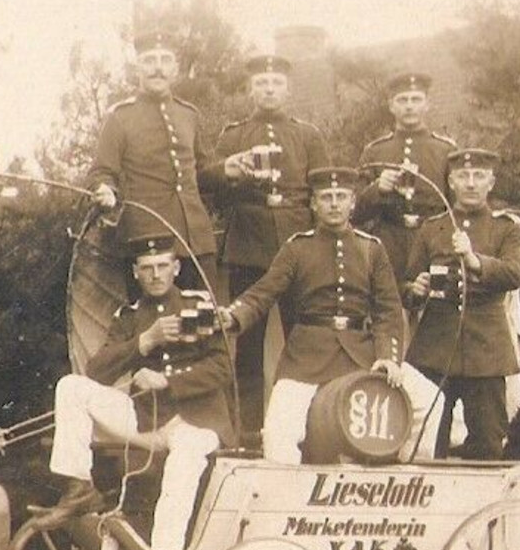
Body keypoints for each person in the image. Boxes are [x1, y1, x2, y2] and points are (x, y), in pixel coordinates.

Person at [49, 234, 234, 550]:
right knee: (71, 387)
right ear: (135, 273)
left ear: (176, 267)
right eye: (146, 268)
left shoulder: (199, 306)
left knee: (186, 459)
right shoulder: (130, 317)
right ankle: (78, 487)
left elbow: (222, 368)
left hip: (196, 418)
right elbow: (98, 371)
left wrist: (167, 381)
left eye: (163, 266)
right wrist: (143, 342)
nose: (155, 275)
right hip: (146, 420)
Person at [220, 167, 406, 465]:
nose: (334, 204)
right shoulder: (297, 248)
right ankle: (286, 507)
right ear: (313, 204)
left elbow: (388, 310)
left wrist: (387, 357)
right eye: (326, 197)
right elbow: (264, 292)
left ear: (353, 203)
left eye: (341, 197)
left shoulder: (372, 249)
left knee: (426, 405)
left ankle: (409, 493)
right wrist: (233, 316)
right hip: (306, 358)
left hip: (361, 355)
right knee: (278, 433)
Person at [208, 53, 331, 444]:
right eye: (261, 83)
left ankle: (308, 425)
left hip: (298, 248)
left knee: (305, 336)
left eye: (276, 83)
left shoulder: (308, 136)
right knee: (248, 342)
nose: (269, 89)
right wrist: (233, 178)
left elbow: (323, 190)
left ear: (288, 89)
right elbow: (215, 194)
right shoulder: (233, 136)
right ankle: (249, 429)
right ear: (251, 89)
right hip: (248, 245)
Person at [403, 148, 520, 459]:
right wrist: (415, 290)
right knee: (426, 444)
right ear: (451, 182)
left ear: (491, 183)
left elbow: (516, 272)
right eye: (463, 176)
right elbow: (405, 285)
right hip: (434, 349)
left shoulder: (506, 227)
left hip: (487, 350)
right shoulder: (433, 228)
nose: (471, 183)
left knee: (487, 443)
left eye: (479, 176)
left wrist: (474, 261)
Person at [88, 30, 221, 291]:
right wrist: (105, 190)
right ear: (137, 68)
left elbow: (202, 171)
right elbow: (102, 172)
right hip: (148, 242)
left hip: (197, 240)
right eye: (149, 60)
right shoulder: (120, 117)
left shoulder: (188, 114)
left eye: (165, 60)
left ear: (175, 68)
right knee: (153, 327)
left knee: (205, 323)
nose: (157, 68)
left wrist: (228, 169)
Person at [356, 72, 460, 280]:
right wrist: (377, 190)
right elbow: (355, 212)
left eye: (416, 99)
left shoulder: (445, 151)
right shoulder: (375, 152)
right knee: (390, 306)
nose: (409, 106)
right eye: (402, 100)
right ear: (391, 106)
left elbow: (457, 207)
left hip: (435, 243)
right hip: (389, 244)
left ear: (427, 104)